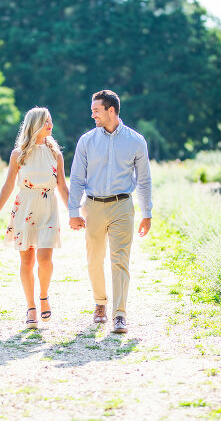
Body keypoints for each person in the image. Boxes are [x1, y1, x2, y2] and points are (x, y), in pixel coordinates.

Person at [68, 89, 152, 334]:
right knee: (94, 259)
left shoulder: (136, 141)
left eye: (96, 110)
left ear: (110, 110)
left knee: (120, 261)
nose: (92, 114)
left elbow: (144, 180)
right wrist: (73, 210)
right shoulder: (86, 141)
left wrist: (147, 212)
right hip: (92, 206)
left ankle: (120, 314)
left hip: (122, 206)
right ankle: (100, 303)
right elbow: (76, 179)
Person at [0, 107, 69, 329]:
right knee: (27, 260)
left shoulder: (56, 154)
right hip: (24, 208)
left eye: (50, 121)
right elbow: (8, 185)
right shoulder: (19, 154)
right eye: (45, 121)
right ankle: (30, 307)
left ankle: (44, 296)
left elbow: (62, 186)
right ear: (34, 124)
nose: (50, 125)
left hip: (48, 207)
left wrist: (73, 212)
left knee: (45, 260)